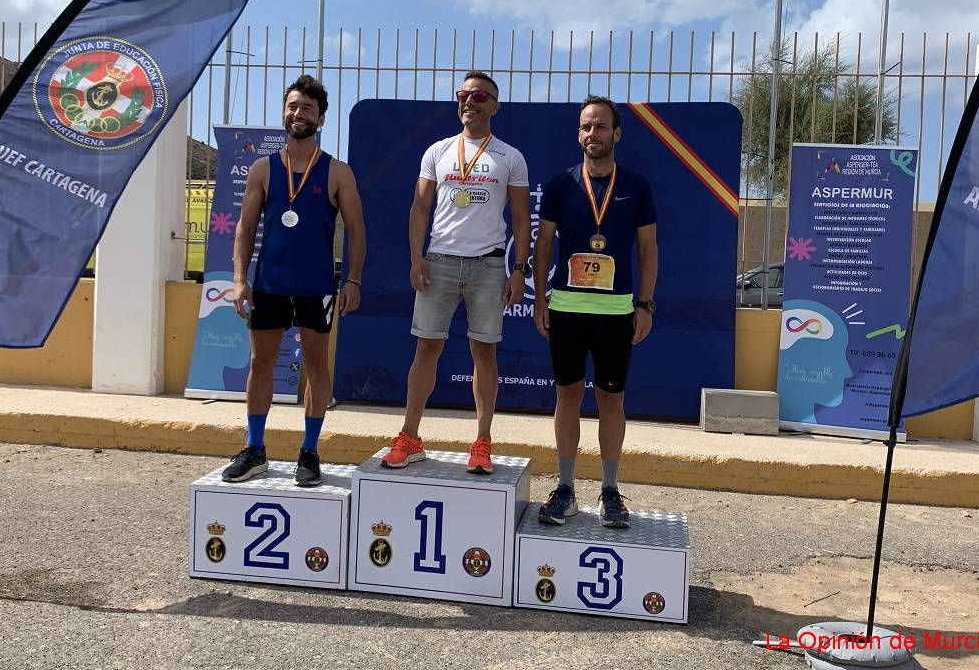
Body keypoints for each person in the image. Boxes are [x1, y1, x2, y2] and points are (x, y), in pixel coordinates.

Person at [380, 71, 531, 473]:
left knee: (484, 351)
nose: (470, 101)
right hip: (440, 261)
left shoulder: (510, 157)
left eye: (479, 95)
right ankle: (410, 437)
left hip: (488, 265)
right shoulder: (438, 151)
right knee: (427, 348)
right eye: (463, 94)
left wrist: (519, 269)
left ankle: (482, 441)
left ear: (494, 105)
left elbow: (520, 218)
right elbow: (419, 208)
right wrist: (416, 257)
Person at [222, 75, 366, 487]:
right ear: (284, 112)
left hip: (316, 286)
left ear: (320, 117)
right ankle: (255, 449)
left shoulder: (337, 172)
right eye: (292, 106)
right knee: (261, 363)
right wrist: (238, 278)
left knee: (317, 367)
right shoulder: (263, 169)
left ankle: (310, 451)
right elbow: (244, 229)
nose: (297, 113)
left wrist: (353, 280)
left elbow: (357, 229)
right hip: (268, 283)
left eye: (306, 108)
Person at [532, 95, 658, 528]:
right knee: (567, 396)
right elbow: (543, 243)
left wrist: (644, 304)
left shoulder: (637, 186)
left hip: (616, 312)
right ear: (579, 134)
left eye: (601, 127)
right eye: (586, 127)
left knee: (612, 399)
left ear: (616, 133)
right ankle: (565, 489)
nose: (592, 134)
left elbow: (648, 249)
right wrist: (541, 299)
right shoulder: (559, 184)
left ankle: (609, 491)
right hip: (567, 308)